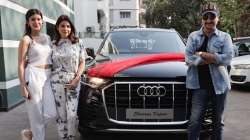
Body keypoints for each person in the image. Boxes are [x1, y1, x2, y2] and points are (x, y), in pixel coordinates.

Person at [185, 3, 233, 140]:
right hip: (199, 87)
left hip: (219, 87)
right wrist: (216, 58)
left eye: (212, 16)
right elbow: (188, 58)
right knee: (195, 122)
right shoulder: (193, 37)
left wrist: (203, 55)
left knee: (218, 122)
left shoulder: (225, 37)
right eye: (206, 17)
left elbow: (228, 58)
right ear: (202, 19)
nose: (209, 20)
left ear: (217, 19)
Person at [18, 9, 57, 140]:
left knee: (51, 113)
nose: (36, 22)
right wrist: (23, 86)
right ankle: (36, 137)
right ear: (28, 23)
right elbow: (21, 64)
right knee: (36, 115)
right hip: (33, 76)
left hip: (48, 76)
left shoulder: (47, 38)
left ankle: (30, 133)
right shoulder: (26, 39)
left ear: (42, 21)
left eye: (38, 19)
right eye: (33, 19)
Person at [51, 15, 85, 140]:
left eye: (68, 26)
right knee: (61, 115)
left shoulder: (78, 42)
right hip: (56, 83)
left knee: (72, 114)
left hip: (73, 81)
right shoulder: (53, 44)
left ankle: (71, 137)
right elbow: (47, 62)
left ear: (71, 28)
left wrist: (77, 78)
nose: (65, 28)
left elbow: (82, 62)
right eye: (62, 26)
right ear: (57, 28)